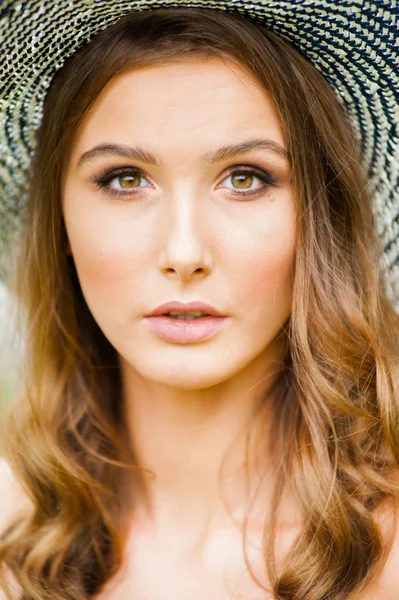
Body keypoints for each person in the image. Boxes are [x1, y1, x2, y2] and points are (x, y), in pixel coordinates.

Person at [0, 2, 398, 599]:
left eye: (246, 177)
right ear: (60, 224)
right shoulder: (11, 535)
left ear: (321, 217)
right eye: (124, 179)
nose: (184, 253)